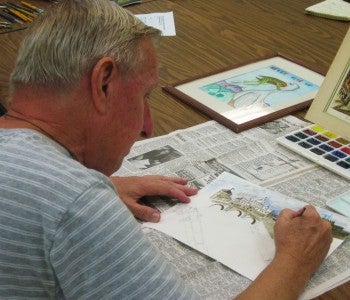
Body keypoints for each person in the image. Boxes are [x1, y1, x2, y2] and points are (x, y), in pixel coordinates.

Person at [0, 0, 332, 299]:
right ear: (103, 83)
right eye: (144, 97)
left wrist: (95, 188)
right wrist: (295, 259)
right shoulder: (75, 203)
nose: (147, 126)